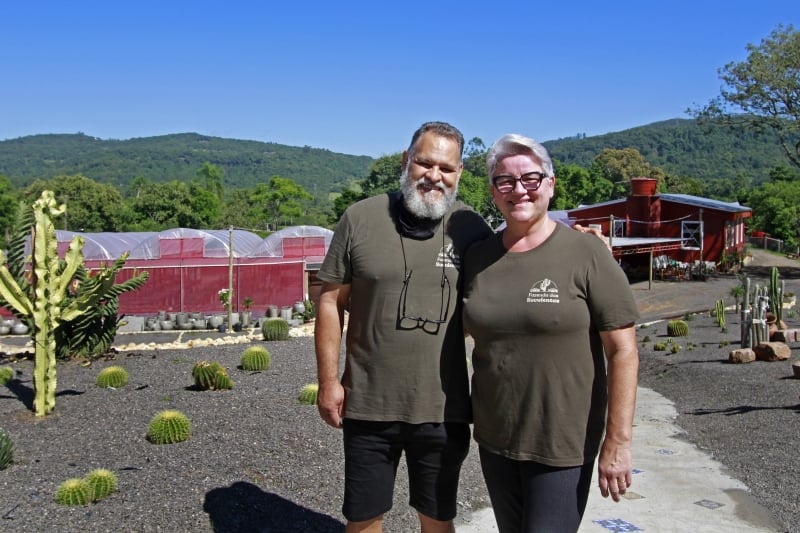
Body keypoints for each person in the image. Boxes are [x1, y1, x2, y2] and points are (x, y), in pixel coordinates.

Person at [314, 121, 493, 532]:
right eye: (424, 162)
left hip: (442, 407)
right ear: (406, 161)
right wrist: (328, 381)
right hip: (368, 404)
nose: (434, 176)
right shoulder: (360, 219)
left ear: (459, 172)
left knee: (437, 517)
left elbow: (502, 298)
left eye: (446, 168)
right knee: (362, 518)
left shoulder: (470, 229)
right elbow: (330, 301)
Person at [461, 133, 640, 533]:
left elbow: (623, 351)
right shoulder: (478, 257)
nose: (519, 190)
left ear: (551, 184)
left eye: (531, 179)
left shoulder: (587, 253)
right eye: (505, 181)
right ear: (493, 191)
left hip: (563, 442)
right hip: (495, 437)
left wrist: (618, 440)